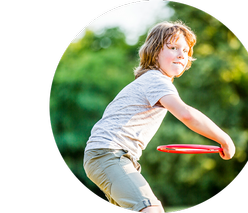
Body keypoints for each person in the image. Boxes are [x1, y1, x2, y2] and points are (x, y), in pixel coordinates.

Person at [83, 21, 235, 213]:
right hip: (108, 154)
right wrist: (225, 139)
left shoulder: (152, 80)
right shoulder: (156, 79)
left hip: (112, 156)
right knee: (151, 209)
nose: (182, 54)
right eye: (173, 47)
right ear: (154, 52)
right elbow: (186, 114)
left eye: (186, 51)